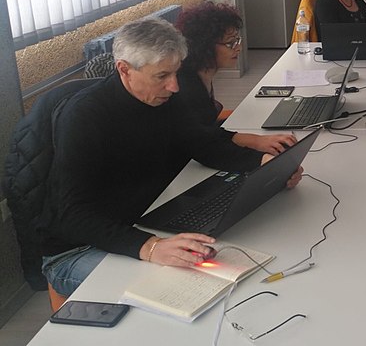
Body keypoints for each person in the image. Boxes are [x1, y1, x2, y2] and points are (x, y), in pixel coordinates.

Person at [40, 17, 303, 296]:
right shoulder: (84, 117)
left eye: (176, 72)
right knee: (185, 289)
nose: (174, 86)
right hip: (79, 249)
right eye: (162, 76)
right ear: (124, 70)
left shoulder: (164, 98)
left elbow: (202, 144)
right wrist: (150, 247)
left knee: (228, 267)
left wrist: (265, 166)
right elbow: (72, 215)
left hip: (143, 222)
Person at [175, 1, 296, 155]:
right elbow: (203, 143)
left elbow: (208, 131)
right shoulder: (186, 86)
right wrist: (257, 147)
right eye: (230, 43)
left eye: (237, 40)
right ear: (204, 46)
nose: (238, 48)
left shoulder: (202, 74)